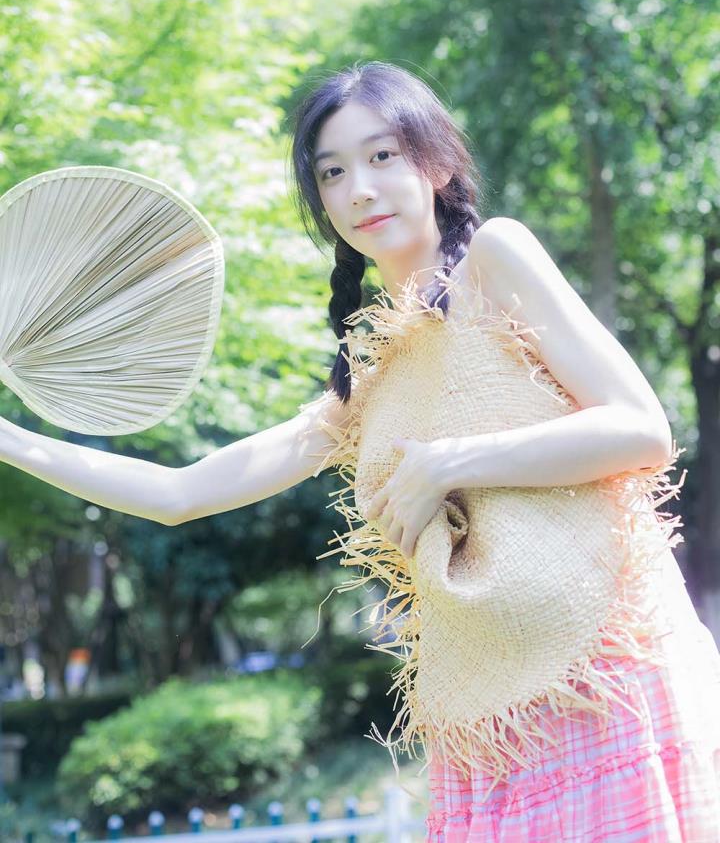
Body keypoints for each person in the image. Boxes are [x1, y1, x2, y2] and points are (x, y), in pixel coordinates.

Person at [1, 61, 719, 840]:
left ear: (436, 164)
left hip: (608, 674)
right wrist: (13, 440)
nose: (361, 190)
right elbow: (183, 493)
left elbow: (640, 428)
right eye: (333, 173)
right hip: (492, 719)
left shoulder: (494, 258)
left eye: (382, 156)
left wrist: (447, 463)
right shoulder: (368, 372)